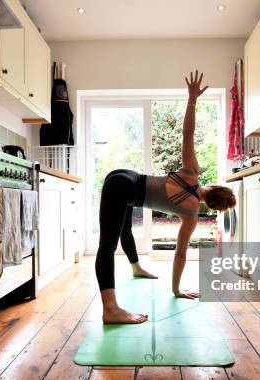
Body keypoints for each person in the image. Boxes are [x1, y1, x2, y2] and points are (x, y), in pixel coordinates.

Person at [96, 71, 237, 324]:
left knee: (123, 231)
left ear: (214, 186)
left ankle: (136, 268)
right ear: (214, 208)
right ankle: (110, 309)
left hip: (126, 177)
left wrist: (192, 99)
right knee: (107, 245)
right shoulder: (191, 215)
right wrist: (176, 290)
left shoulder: (192, 172)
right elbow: (180, 255)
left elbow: (187, 134)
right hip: (126, 190)